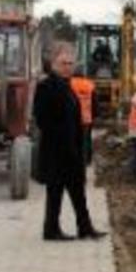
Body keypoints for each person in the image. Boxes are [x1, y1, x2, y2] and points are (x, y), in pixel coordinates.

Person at [33, 42, 106, 241]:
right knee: (55, 193)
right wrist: (62, 141)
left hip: (72, 150)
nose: (68, 67)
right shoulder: (46, 86)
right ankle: (51, 230)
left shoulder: (69, 86)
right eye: (64, 63)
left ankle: (85, 227)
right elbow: (42, 119)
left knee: (78, 191)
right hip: (56, 152)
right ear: (53, 63)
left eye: (71, 63)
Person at [69, 70, 96, 166]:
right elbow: (94, 103)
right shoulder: (89, 85)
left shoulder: (69, 84)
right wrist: (94, 116)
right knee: (86, 139)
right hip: (86, 118)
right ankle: (86, 160)